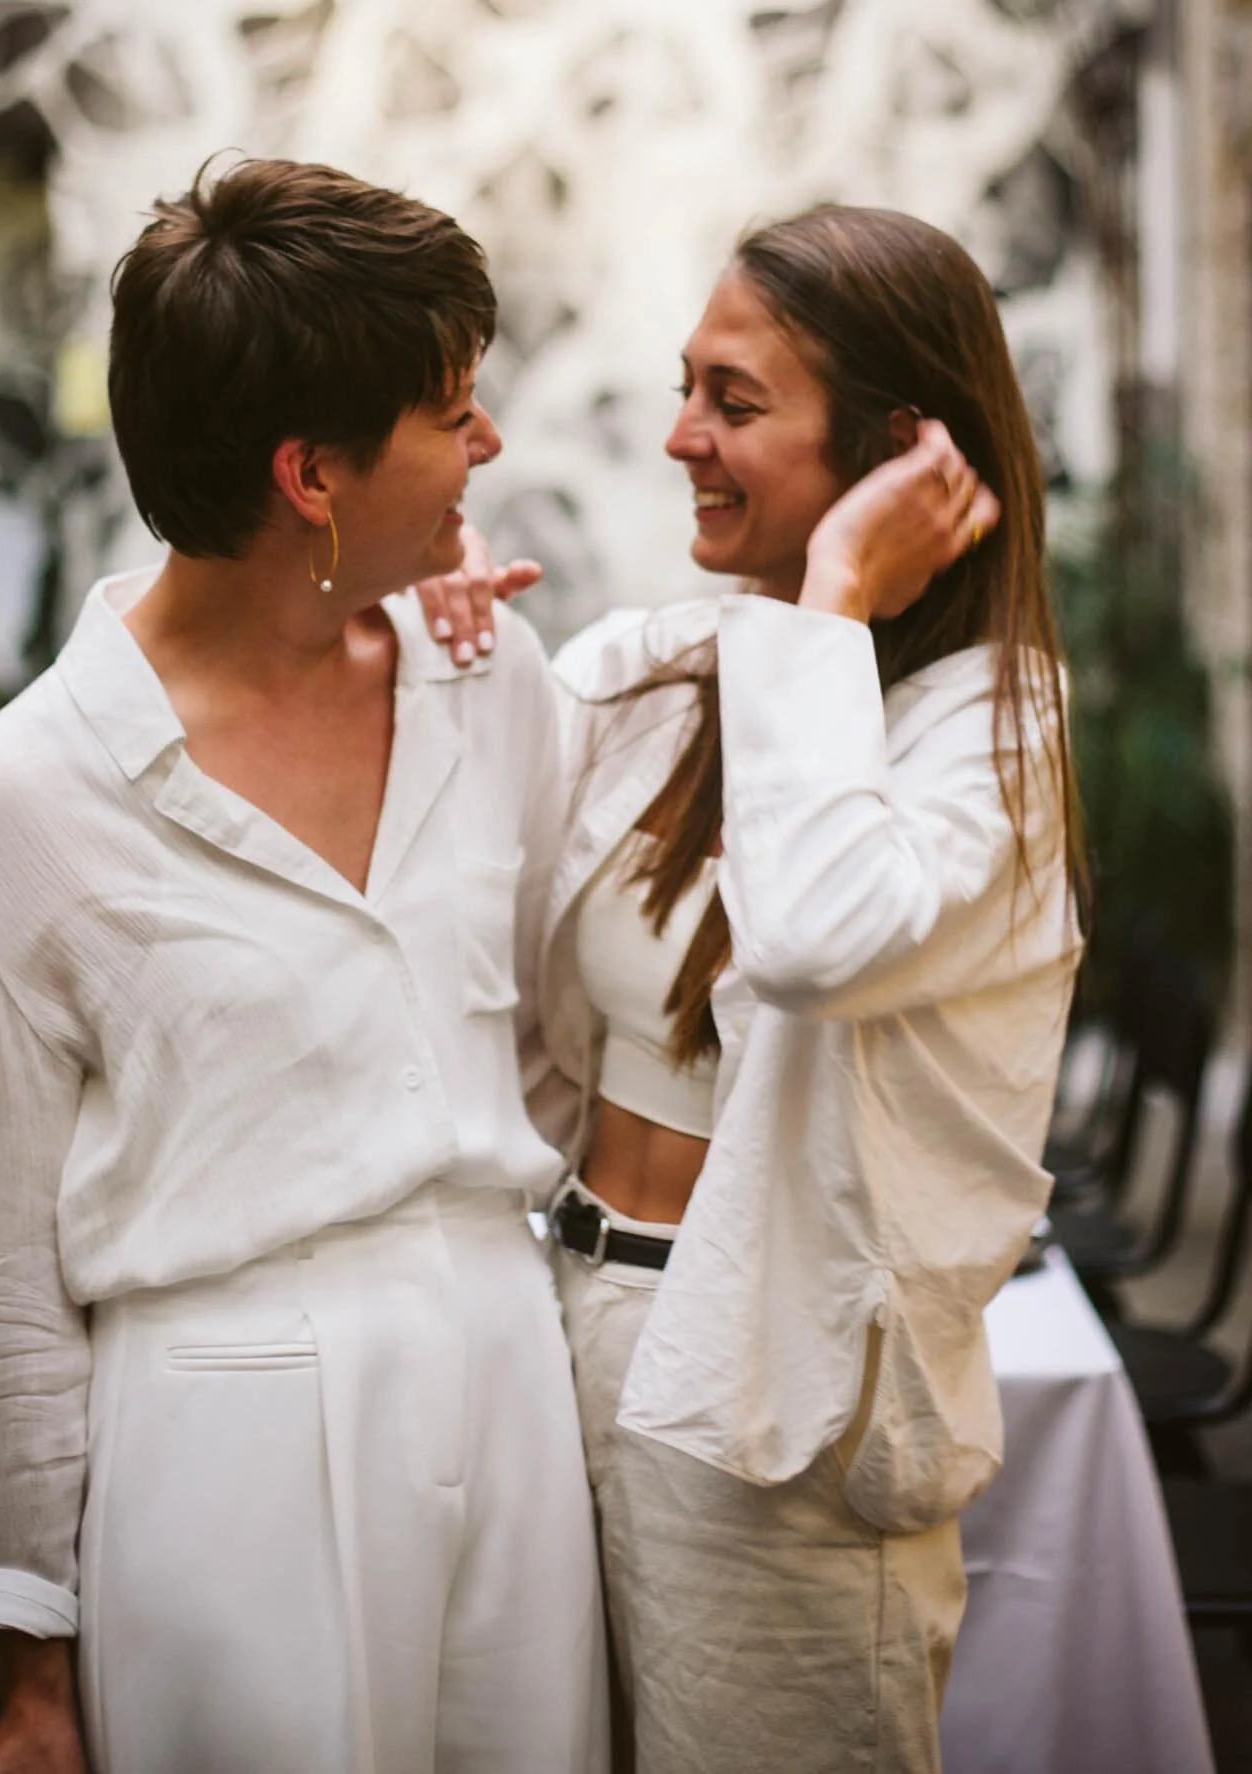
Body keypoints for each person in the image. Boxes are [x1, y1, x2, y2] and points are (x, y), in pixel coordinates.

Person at [0, 157, 609, 1774]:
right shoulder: (26, 797)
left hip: (509, 1385)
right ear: (312, 472)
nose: (489, 445)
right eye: (453, 411)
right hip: (226, 1433)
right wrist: (32, 1653)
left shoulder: (488, 677)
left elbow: (569, 1023)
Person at [420, 205, 1082, 1773]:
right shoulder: (670, 662)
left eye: (734, 400)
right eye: (685, 389)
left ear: (899, 451)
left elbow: (815, 932)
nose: (678, 437)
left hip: (773, 1410)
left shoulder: (997, 729)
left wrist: (836, 599)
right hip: (564, 1323)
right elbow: (458, 876)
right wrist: (433, 650)